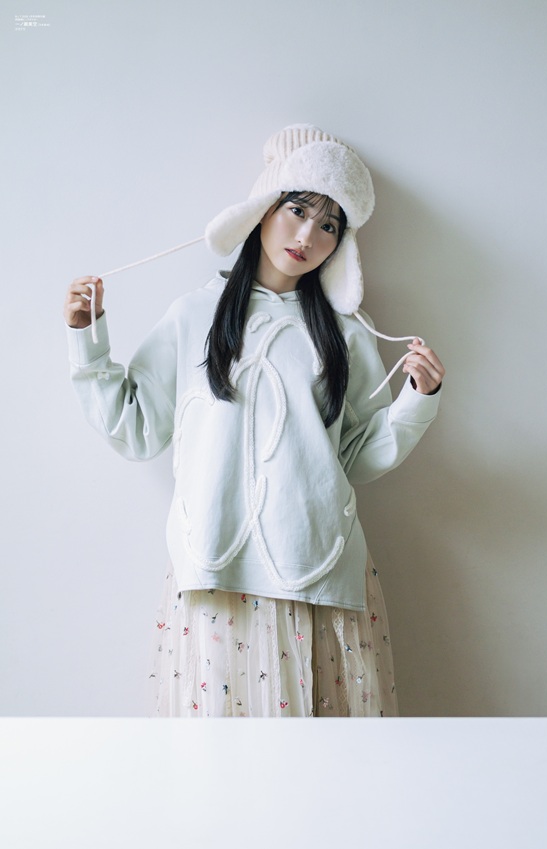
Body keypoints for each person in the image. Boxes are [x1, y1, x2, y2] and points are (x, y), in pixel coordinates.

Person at [64, 124, 445, 717]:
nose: (308, 235)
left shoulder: (346, 333)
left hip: (316, 572)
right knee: (219, 761)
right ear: (264, 208)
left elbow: (357, 455)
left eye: (329, 225)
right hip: (215, 573)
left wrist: (418, 398)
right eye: (298, 210)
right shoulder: (194, 314)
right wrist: (87, 339)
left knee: (327, 761)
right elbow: (135, 429)